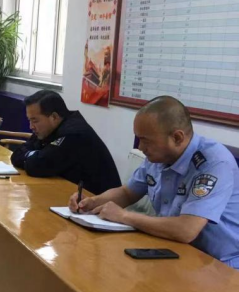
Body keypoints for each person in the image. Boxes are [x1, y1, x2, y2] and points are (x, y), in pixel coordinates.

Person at [70, 96, 239, 269]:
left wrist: (124, 216)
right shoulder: (158, 157)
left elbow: (186, 230)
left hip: (221, 264)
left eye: (146, 140)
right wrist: (92, 202)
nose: (140, 147)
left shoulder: (213, 163)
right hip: (175, 250)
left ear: (177, 138)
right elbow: (127, 193)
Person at [11, 90, 121, 194]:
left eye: (35, 120)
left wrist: (29, 156)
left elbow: (38, 166)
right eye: (29, 120)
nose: (31, 126)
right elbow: (16, 155)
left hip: (98, 201)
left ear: (54, 117)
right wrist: (31, 156)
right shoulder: (46, 130)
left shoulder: (74, 133)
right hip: (71, 195)